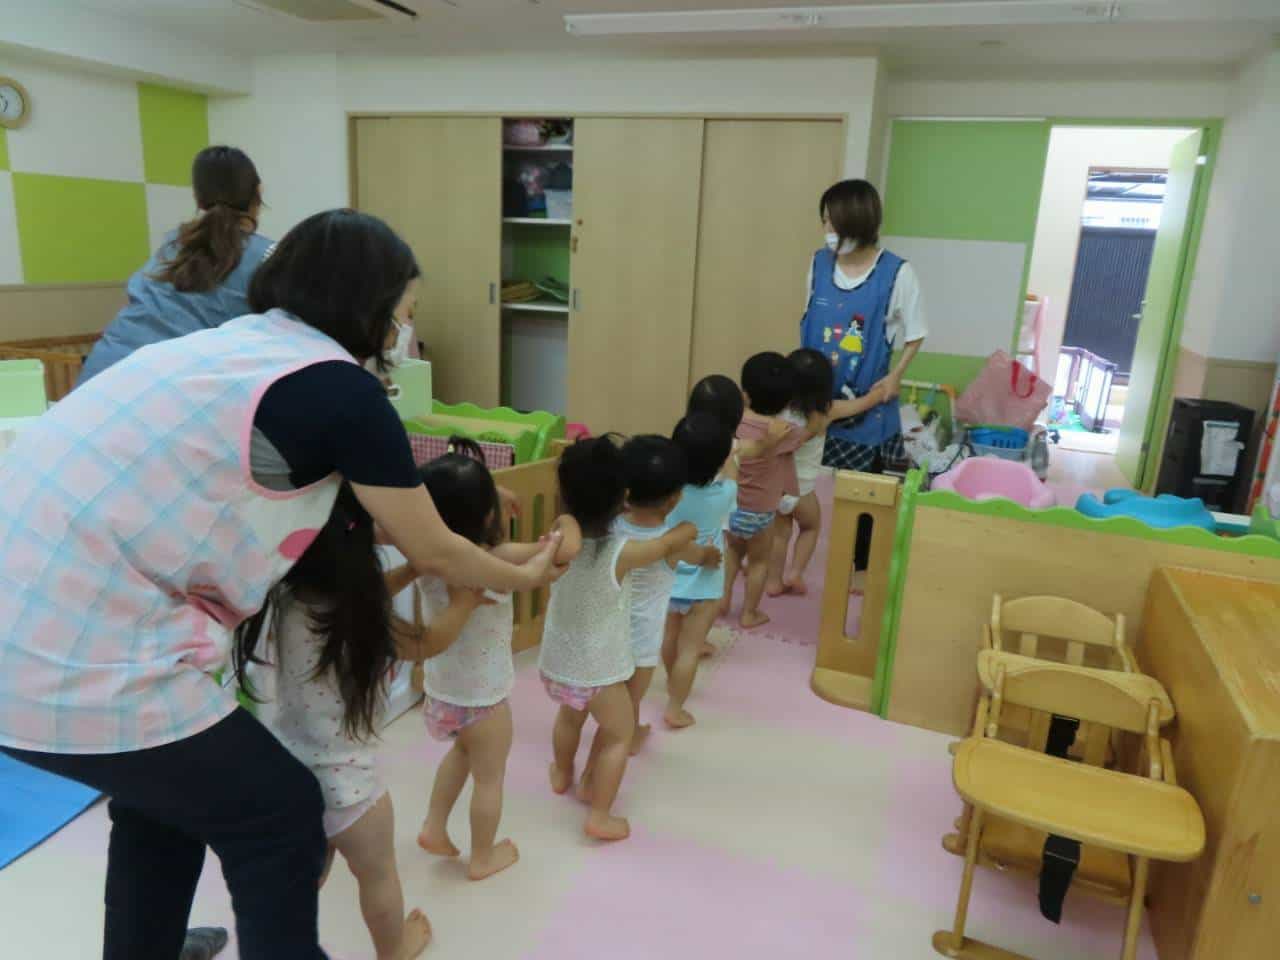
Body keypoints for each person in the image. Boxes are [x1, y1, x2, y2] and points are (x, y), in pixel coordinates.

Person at [0, 209, 564, 960]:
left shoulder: (226, 350)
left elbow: (406, 530)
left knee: (157, 807)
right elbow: (437, 552)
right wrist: (525, 570)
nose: (404, 332)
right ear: (369, 304)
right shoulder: (339, 391)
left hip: (30, 628)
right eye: (404, 313)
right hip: (82, 656)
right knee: (280, 816)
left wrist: (498, 550)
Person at [236, 484, 432, 960]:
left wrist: (408, 570)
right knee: (379, 876)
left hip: (284, 780)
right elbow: (428, 642)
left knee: (302, 880)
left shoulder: (273, 597)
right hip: (351, 791)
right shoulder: (365, 620)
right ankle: (396, 950)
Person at [415, 439, 580, 881]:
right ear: (486, 516)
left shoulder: (428, 558)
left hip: (443, 689)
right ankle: (483, 856)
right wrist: (553, 541)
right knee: (490, 777)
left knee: (462, 755)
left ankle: (434, 826)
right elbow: (550, 557)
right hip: (483, 697)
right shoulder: (493, 559)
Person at [538, 436, 697, 842]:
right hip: (598, 671)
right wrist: (684, 532)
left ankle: (561, 771)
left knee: (568, 718)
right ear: (624, 498)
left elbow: (569, 526)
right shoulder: (621, 552)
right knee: (619, 734)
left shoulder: (557, 539)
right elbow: (662, 545)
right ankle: (600, 814)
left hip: (557, 664)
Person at [802, 179, 927, 584]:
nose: (827, 230)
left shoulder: (896, 272)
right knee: (795, 485)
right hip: (817, 398)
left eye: (833, 222)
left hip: (870, 397)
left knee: (866, 495)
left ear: (857, 221)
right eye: (824, 221)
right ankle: (785, 562)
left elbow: (915, 333)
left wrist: (895, 377)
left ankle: (860, 566)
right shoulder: (819, 263)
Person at [78, 146, 275, 384]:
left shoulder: (173, 245)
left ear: (198, 198)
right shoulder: (269, 257)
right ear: (258, 191)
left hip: (95, 381)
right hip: (167, 392)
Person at [722, 352, 816, 630]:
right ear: (787, 402)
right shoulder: (785, 432)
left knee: (732, 553)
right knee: (759, 561)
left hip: (732, 507)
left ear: (745, 393)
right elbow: (810, 432)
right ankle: (749, 613)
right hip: (761, 513)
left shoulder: (735, 420)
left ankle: (723, 599)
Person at [663, 413, 738, 728]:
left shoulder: (668, 493)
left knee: (670, 638)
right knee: (690, 649)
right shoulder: (722, 494)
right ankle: (675, 707)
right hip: (704, 587)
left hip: (668, 581)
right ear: (718, 461)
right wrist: (733, 454)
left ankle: (672, 678)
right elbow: (732, 474)